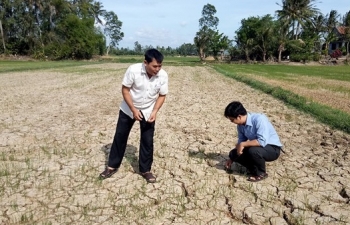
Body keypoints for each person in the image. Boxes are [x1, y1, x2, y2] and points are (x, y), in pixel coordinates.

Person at [99, 49, 168, 183]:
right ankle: (112, 166)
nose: (158, 69)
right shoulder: (133, 70)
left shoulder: (163, 75)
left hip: (148, 110)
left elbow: (162, 95)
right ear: (145, 63)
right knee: (120, 136)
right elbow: (125, 90)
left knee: (147, 140)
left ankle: (145, 170)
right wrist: (133, 109)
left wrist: (154, 111)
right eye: (155, 66)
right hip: (128, 108)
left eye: (160, 66)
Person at [224, 101, 282, 182]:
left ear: (239, 117)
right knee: (233, 153)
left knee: (253, 151)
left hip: (272, 149)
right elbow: (241, 142)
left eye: (232, 120)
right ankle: (253, 169)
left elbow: (262, 141)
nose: (232, 122)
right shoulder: (240, 126)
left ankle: (261, 173)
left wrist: (243, 144)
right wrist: (232, 159)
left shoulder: (259, 119)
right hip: (258, 147)